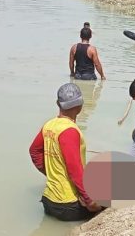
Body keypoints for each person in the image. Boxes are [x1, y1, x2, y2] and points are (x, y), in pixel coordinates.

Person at [29, 83, 102, 221]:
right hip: (69, 206)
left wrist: (50, 173)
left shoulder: (49, 125)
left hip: (48, 202)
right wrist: (89, 200)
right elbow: (74, 170)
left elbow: (34, 151)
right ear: (80, 105)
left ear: (58, 103)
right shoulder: (70, 131)